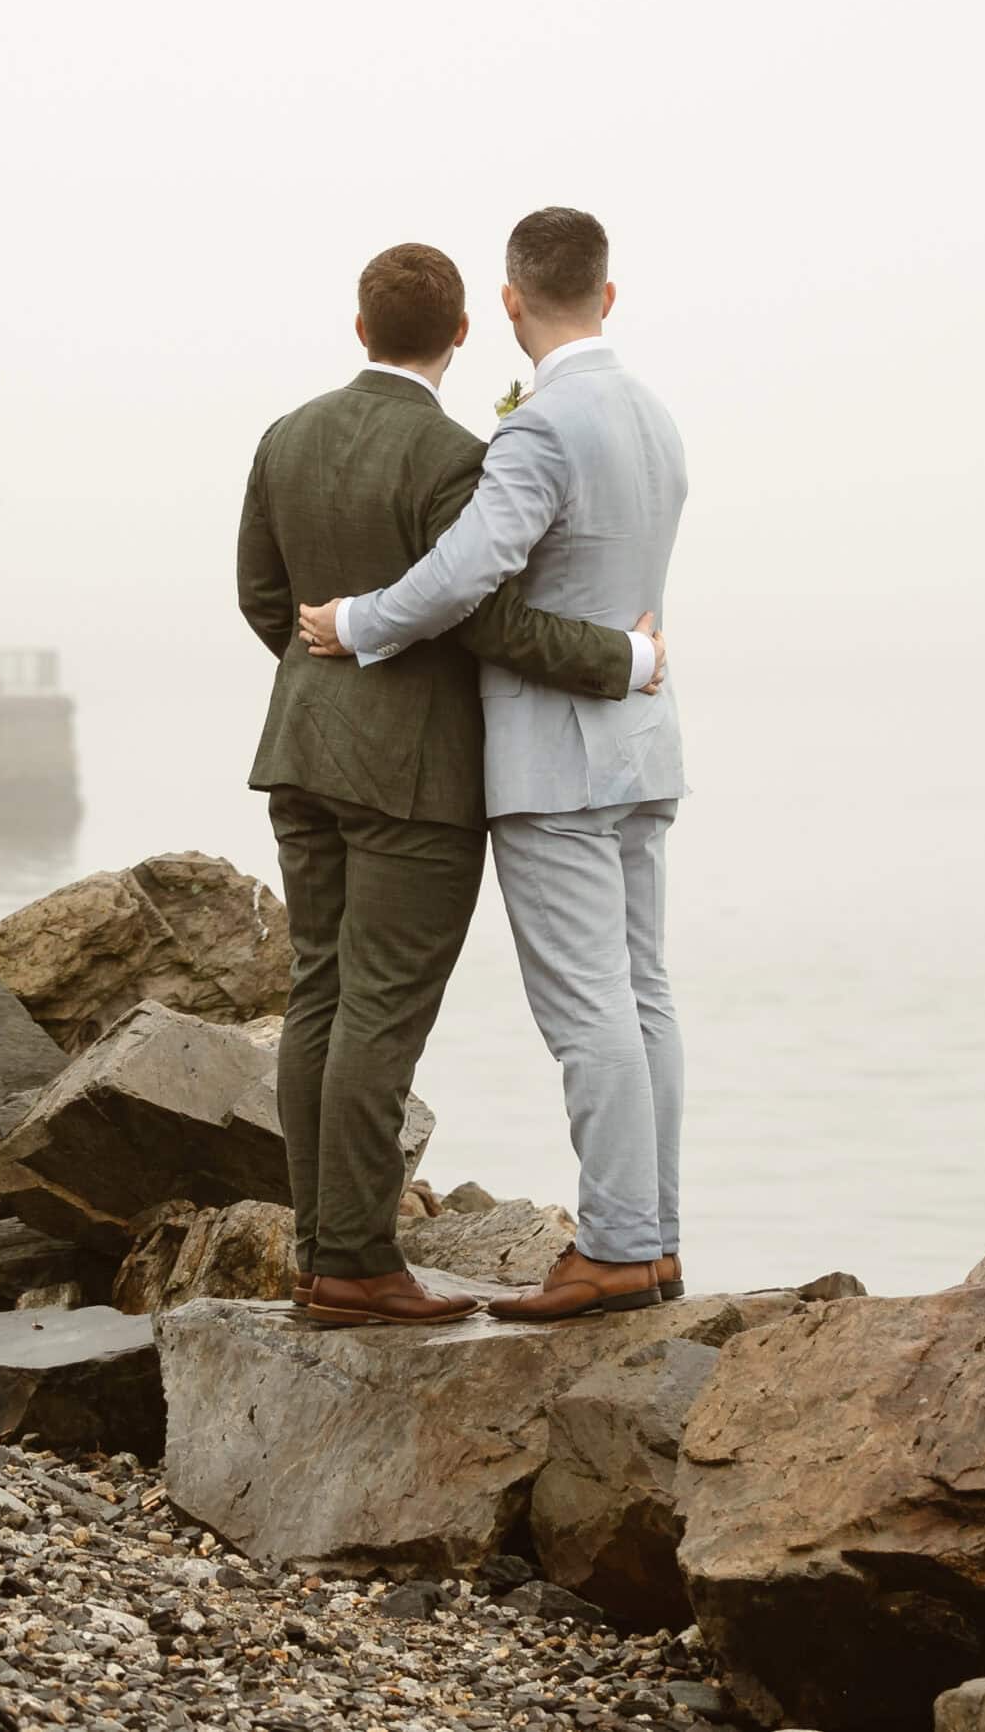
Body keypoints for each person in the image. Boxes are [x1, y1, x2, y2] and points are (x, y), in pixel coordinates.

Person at [237, 240, 666, 1328]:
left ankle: (318, 1251)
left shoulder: (284, 437)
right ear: (465, 329)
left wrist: (324, 686)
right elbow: (482, 616)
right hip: (412, 776)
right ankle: (358, 1265)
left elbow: (262, 595)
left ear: (358, 327)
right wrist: (623, 660)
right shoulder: (453, 455)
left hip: (299, 750)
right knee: (380, 1011)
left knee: (318, 994)